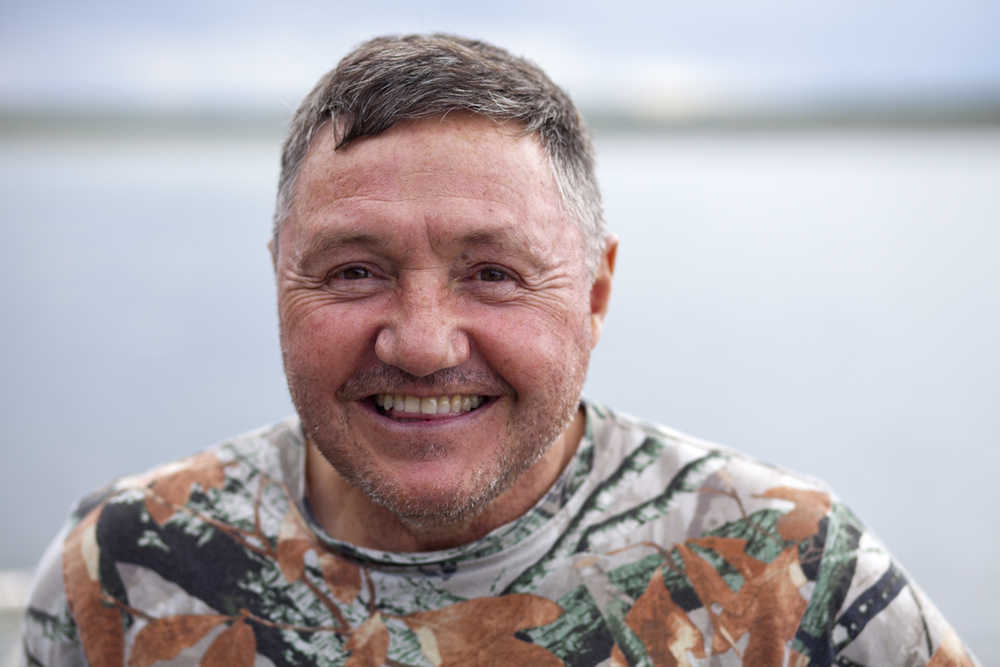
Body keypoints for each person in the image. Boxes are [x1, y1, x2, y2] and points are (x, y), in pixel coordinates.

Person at [22, 33, 977, 666]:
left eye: (494, 273)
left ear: (596, 293)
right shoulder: (127, 564)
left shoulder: (787, 569)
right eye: (355, 271)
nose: (424, 343)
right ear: (279, 276)